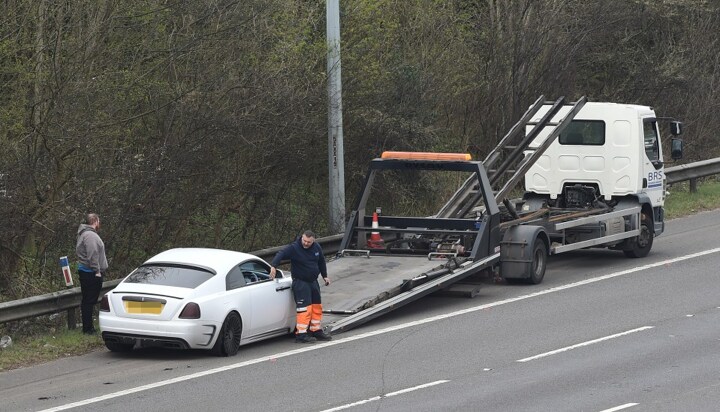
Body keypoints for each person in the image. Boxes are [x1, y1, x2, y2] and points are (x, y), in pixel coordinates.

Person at [270, 230, 332, 343]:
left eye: (309, 242)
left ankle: (316, 330)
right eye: (304, 240)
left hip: (313, 281)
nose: (306, 243)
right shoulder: (294, 248)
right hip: (301, 282)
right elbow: (281, 254)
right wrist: (274, 266)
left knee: (316, 306)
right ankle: (301, 334)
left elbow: (321, 261)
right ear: (301, 238)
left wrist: (325, 276)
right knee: (304, 309)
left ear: (313, 241)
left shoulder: (316, 247)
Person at [75, 213, 108, 334]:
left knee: (87, 300)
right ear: (95, 221)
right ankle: (88, 329)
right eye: (98, 221)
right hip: (91, 273)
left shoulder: (84, 234)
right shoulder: (90, 235)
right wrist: (97, 271)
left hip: (87, 271)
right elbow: (92, 254)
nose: (99, 224)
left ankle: (87, 327)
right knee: (89, 301)